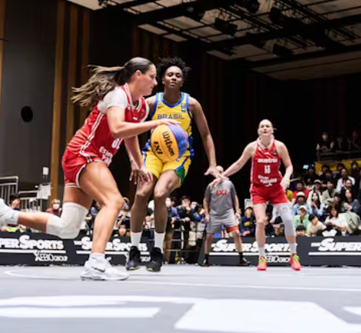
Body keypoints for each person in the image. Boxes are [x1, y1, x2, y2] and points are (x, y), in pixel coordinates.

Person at [0, 57, 170, 281]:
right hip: (84, 154)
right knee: (114, 202)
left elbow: (130, 135)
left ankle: (7, 214)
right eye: (152, 77)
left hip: (87, 159)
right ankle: (96, 262)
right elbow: (117, 128)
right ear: (138, 75)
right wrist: (157, 124)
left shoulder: (141, 107)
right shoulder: (118, 95)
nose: (155, 82)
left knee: (68, 227)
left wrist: (139, 163)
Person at [127, 57, 219, 272]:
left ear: (182, 80)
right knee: (141, 194)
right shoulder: (151, 102)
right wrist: (134, 160)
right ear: (162, 79)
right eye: (170, 74)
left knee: (160, 195)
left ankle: (157, 252)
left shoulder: (191, 104)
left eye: (178, 75)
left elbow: (206, 135)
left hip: (179, 157)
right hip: (153, 153)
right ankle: (133, 250)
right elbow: (129, 130)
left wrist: (213, 164)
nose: (174, 77)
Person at [212, 119, 299, 271]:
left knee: (288, 220)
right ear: (258, 131)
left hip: (276, 188)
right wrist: (222, 175)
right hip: (258, 189)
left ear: (272, 130)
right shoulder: (252, 147)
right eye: (262, 126)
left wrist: (286, 177)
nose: (265, 128)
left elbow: (289, 166)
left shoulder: (279, 146)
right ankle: (261, 257)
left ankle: (294, 255)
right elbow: (239, 164)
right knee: (260, 221)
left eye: (268, 126)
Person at [201, 166, 248, 267]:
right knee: (209, 236)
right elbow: (205, 200)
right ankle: (206, 259)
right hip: (214, 214)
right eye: (219, 172)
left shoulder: (229, 184)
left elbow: (235, 197)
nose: (221, 174)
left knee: (236, 233)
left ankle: (241, 258)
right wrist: (207, 214)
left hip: (228, 213)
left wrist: (237, 211)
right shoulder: (210, 186)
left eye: (222, 172)